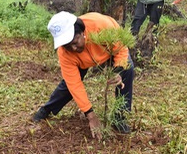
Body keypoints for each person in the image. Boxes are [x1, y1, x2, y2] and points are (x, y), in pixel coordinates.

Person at [33, 11, 134, 140]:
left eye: (75, 42)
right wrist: (91, 116)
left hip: (109, 50)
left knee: (127, 71)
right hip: (83, 62)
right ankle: (47, 110)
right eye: (68, 46)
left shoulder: (101, 25)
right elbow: (74, 84)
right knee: (68, 86)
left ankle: (120, 117)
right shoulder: (65, 53)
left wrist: (119, 70)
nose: (73, 49)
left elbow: (121, 46)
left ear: (81, 32)